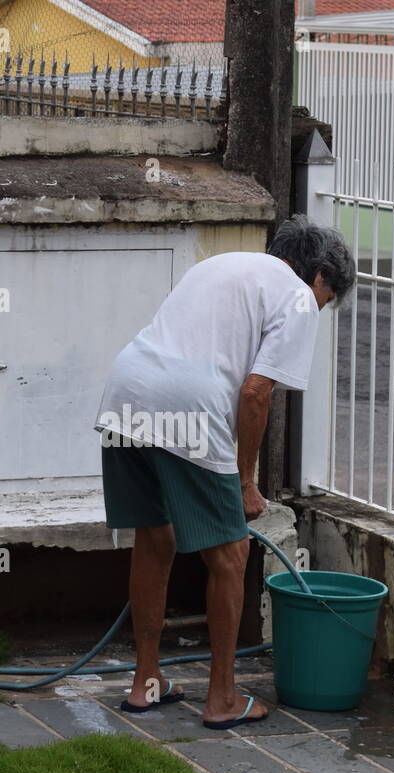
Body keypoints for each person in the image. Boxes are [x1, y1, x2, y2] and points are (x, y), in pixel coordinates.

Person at [93, 215, 355, 729]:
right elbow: (256, 392)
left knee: (155, 538)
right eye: (327, 299)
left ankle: (145, 686)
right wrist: (245, 481)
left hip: (125, 392)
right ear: (320, 276)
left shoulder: (223, 264)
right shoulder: (299, 295)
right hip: (188, 405)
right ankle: (222, 700)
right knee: (231, 555)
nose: (319, 309)